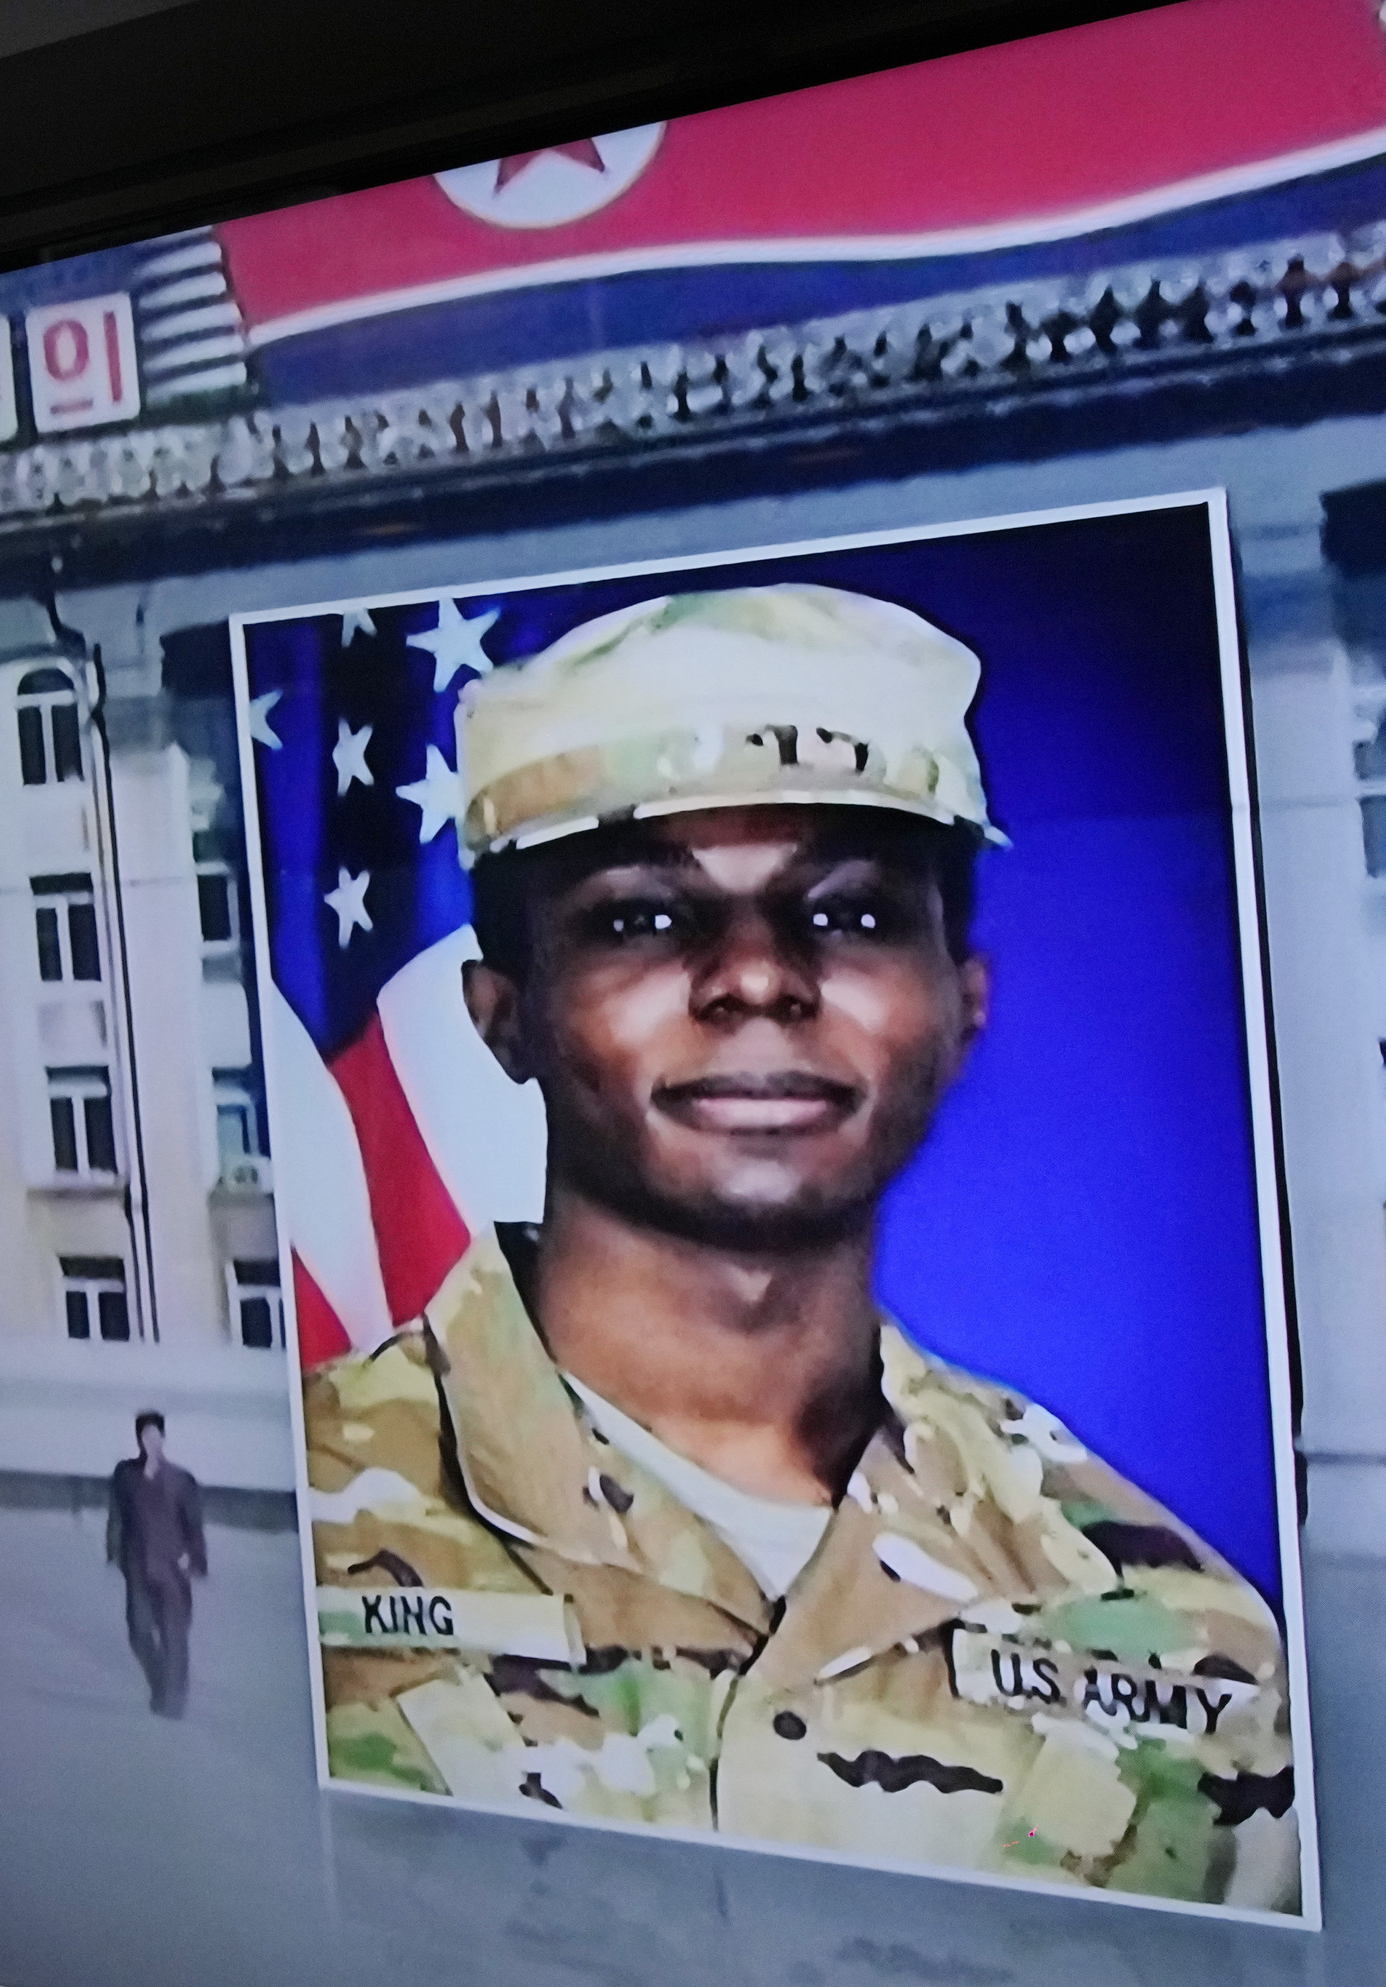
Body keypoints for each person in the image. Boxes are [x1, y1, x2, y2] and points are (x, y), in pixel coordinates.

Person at [303, 586, 1297, 1911]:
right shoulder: (290, 1522)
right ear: (503, 1015)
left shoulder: (1183, 1628)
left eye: (851, 911)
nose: (759, 974)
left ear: (965, 1004)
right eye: (644, 915)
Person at [105, 1410, 205, 1719]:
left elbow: (193, 1524)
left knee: (174, 1635)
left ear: (163, 1438)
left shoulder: (181, 1480)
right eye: (144, 1436)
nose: (150, 1442)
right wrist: (114, 1550)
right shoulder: (125, 1475)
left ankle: (173, 1701)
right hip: (137, 1566)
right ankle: (161, 1685)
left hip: (173, 1569)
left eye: (154, 1435)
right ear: (138, 1439)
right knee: (139, 1632)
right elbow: (118, 1515)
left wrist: (195, 1557)